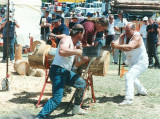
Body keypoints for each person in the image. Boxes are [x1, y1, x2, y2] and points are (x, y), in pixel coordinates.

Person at [36, 24, 87, 119]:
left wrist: (83, 56)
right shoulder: (66, 39)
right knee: (57, 99)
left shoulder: (73, 45)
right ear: (79, 33)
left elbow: (75, 62)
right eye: (83, 33)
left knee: (81, 84)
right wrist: (76, 52)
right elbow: (61, 51)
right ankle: (40, 117)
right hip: (58, 71)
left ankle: (76, 108)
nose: (83, 36)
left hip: (65, 72)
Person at [111, 22, 148, 105]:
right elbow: (117, 42)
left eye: (128, 31)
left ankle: (129, 99)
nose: (126, 33)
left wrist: (117, 46)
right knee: (132, 77)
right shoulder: (123, 35)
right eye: (125, 30)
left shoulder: (137, 37)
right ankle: (142, 91)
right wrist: (113, 44)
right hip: (133, 62)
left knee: (129, 76)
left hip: (141, 62)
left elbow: (129, 47)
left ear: (134, 30)